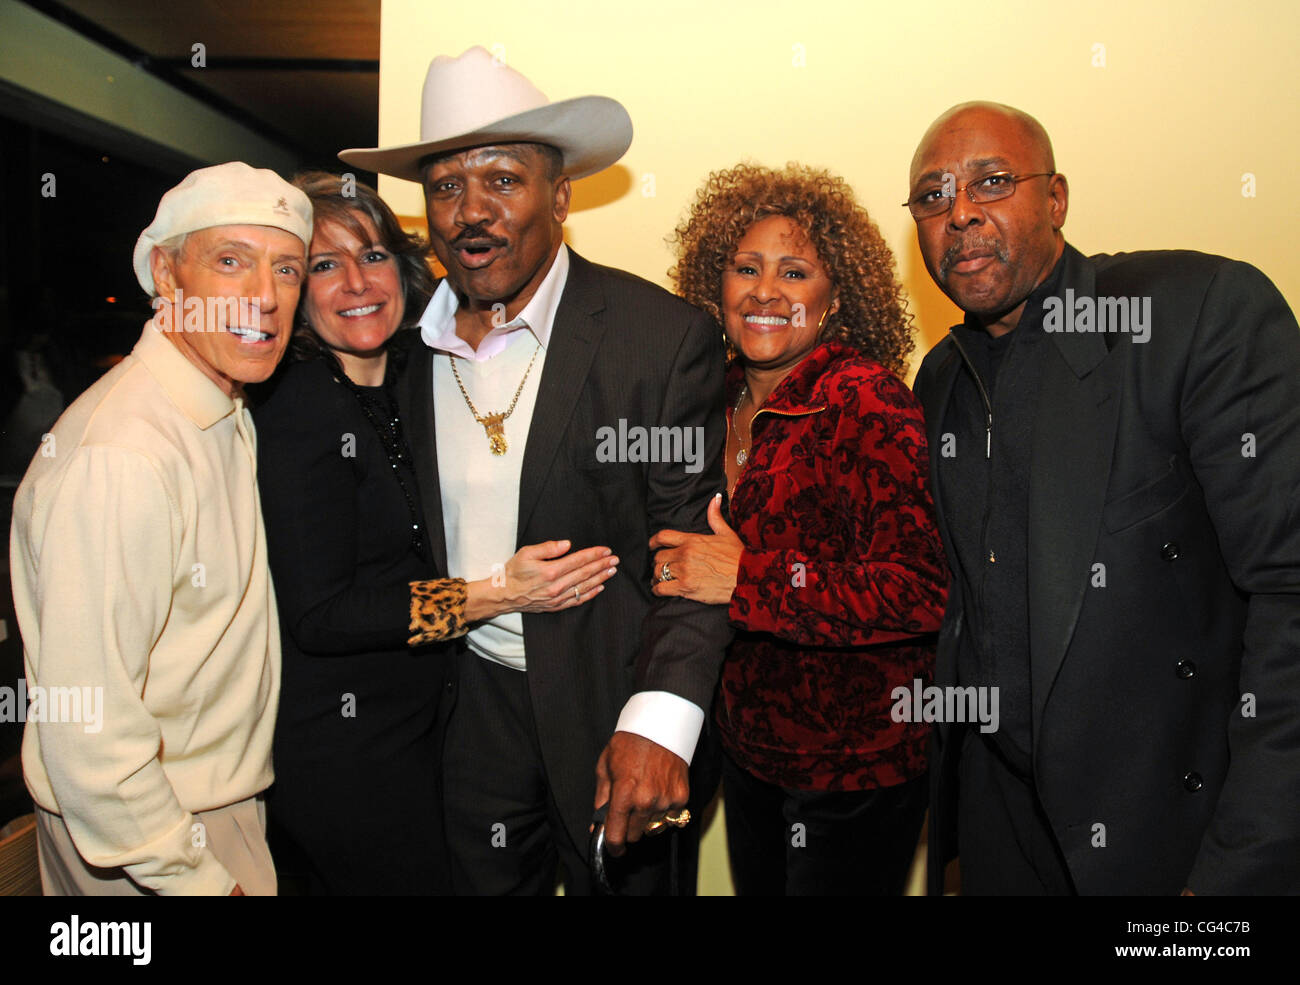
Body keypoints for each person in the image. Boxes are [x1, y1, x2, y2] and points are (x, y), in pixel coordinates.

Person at [338, 47, 731, 895]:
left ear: (559, 196)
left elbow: (692, 555)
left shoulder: (657, 339)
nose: (472, 212)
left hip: (609, 703)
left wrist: (660, 723)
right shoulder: (396, 350)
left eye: (504, 181)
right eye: (446, 186)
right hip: (461, 711)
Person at [907, 101, 1300, 895]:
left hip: (1172, 844)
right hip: (1004, 843)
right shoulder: (940, 380)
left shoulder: (1192, 315)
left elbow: (1288, 594)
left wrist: (1235, 874)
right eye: (933, 196)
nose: (962, 213)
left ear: (1055, 200)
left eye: (991, 182)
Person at [253, 172, 617, 894]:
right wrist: (494, 593)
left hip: (429, 736)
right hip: (349, 755)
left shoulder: (410, 379)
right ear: (294, 290)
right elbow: (324, 615)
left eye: (375, 255)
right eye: (324, 264)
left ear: (406, 266)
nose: (357, 281)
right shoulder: (299, 409)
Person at [10, 161, 312, 895]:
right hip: (151, 841)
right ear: (166, 276)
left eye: (287, 269)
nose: (264, 297)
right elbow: (90, 731)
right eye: (231, 261)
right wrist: (198, 880)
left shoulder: (219, 407)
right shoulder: (124, 455)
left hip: (197, 815)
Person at [652, 164, 948, 895]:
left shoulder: (866, 402)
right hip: (748, 753)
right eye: (745, 267)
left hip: (854, 772)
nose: (765, 291)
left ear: (837, 294)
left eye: (795, 271)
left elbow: (920, 589)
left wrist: (746, 579)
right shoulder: (706, 395)